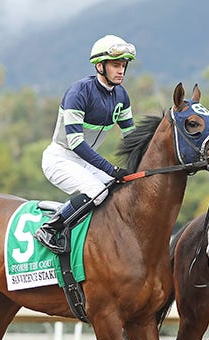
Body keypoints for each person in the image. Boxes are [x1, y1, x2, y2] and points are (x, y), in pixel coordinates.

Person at [35, 34, 137, 253]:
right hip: (60, 158)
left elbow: (131, 138)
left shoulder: (122, 96)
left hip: (85, 160)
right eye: (116, 65)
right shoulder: (79, 92)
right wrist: (112, 169)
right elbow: (76, 143)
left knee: (119, 189)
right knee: (97, 192)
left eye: (123, 66)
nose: (121, 71)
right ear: (100, 66)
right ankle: (50, 228)